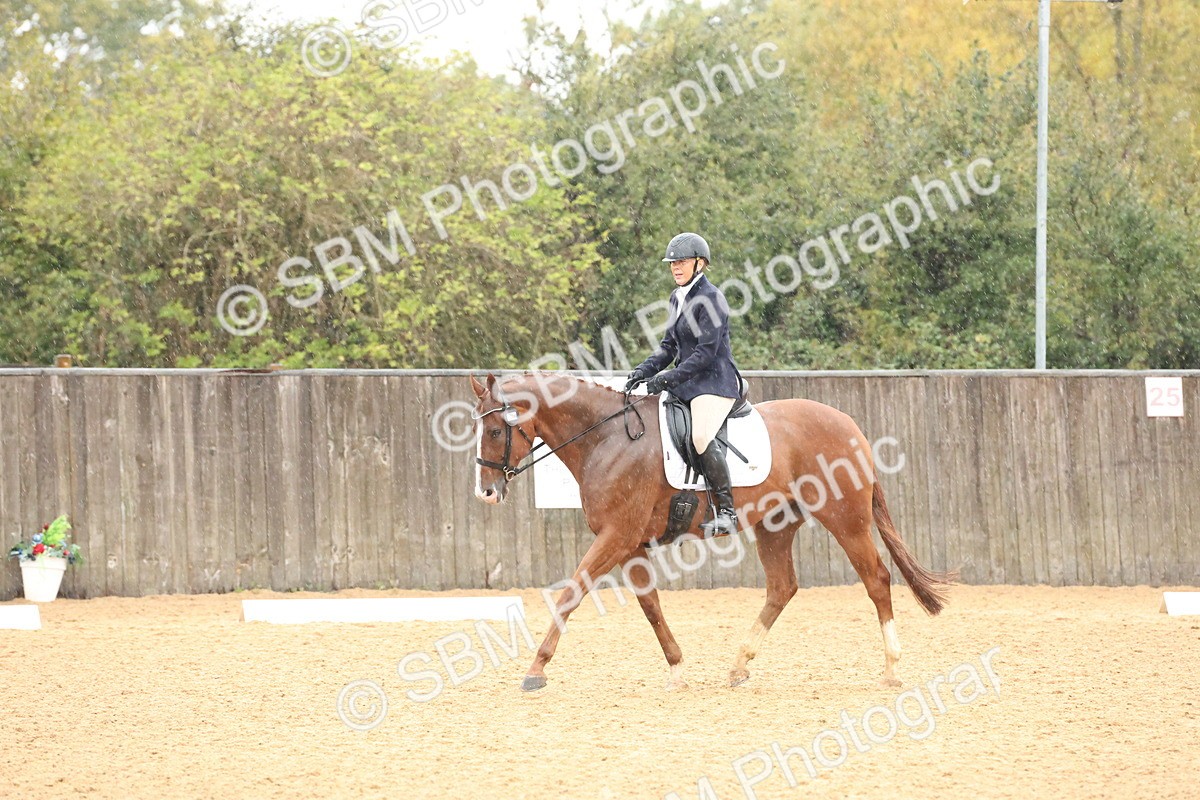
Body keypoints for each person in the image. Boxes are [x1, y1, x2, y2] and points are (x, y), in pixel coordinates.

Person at [624, 232, 742, 536]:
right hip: (688, 384)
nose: (676, 267)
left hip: (714, 384)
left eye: (682, 262)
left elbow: (705, 354)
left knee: (701, 437)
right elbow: (669, 347)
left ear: (699, 263)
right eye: (672, 263)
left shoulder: (712, 298)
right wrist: (644, 370)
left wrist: (665, 379)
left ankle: (727, 511)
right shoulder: (676, 297)